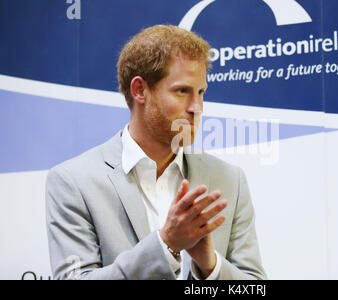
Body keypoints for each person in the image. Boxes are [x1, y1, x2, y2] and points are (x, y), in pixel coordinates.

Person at [45, 25, 266, 280]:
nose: (197, 108)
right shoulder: (73, 181)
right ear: (140, 90)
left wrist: (210, 265)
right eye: (182, 91)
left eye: (201, 92)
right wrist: (166, 244)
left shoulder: (229, 179)